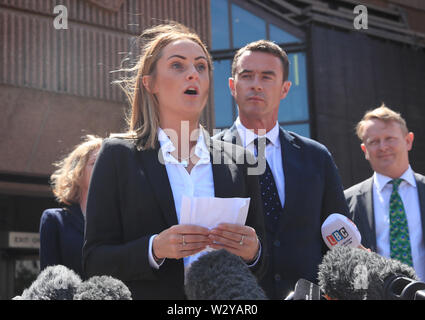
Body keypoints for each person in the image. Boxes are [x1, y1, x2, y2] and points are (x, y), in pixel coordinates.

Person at [82, 23, 267, 300]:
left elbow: (261, 263)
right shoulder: (117, 155)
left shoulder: (241, 160)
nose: (193, 74)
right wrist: (154, 248)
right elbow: (94, 262)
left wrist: (254, 252)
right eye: (178, 66)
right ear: (150, 83)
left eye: (201, 67)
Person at [214, 40, 350, 299]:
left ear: (285, 88)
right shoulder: (207, 157)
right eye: (247, 76)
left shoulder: (316, 157)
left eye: (267, 77)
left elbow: (338, 239)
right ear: (232, 86)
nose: (256, 84)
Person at [344, 104, 425, 281]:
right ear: (364, 150)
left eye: (390, 138)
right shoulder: (348, 202)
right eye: (374, 142)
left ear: (408, 141)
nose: (383, 147)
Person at [39, 135, 102, 278]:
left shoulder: (120, 219)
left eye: (105, 163)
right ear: (78, 173)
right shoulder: (54, 220)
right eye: (94, 163)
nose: (102, 168)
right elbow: (49, 281)